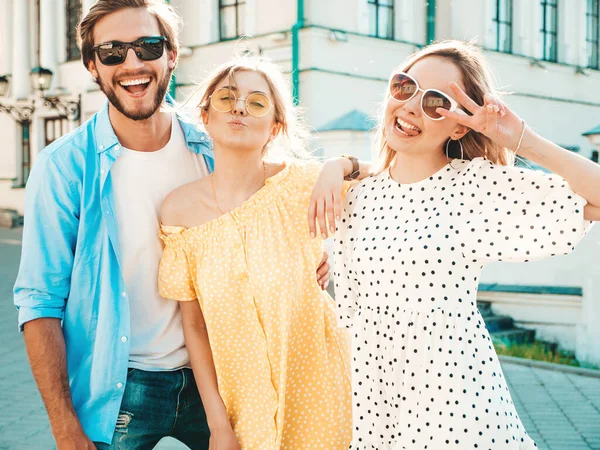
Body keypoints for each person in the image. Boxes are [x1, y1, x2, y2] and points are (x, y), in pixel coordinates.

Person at [12, 1, 332, 449]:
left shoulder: (212, 144)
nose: (133, 63)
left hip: (224, 379)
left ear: (172, 55)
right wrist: (65, 427)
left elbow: (282, 202)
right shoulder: (63, 167)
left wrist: (325, 252)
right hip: (122, 389)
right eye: (112, 52)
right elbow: (39, 302)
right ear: (91, 65)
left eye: (148, 46)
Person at [333, 40, 600, 449]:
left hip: (455, 407)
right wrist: (339, 165)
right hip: (373, 405)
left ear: (460, 125)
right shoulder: (353, 196)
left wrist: (520, 139)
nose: (409, 107)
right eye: (405, 87)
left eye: (436, 103)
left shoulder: (473, 187)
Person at [157, 56, 370, 449]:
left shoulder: (304, 184)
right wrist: (218, 425)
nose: (239, 107)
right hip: (244, 404)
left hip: (324, 388)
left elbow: (398, 182)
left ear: (275, 126)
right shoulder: (177, 211)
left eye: (256, 102)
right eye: (226, 98)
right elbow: (195, 327)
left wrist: (340, 165)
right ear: (205, 115)